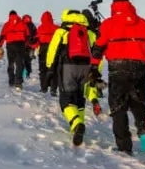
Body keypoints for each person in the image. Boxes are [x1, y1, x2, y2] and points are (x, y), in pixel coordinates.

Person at [88, 0, 145, 154]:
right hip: (139, 68)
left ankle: (124, 146)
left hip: (117, 68)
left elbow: (98, 48)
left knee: (118, 108)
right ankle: (144, 132)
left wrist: (93, 67)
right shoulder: (143, 23)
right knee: (138, 103)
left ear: (114, 6)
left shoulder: (107, 25)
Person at [45, 9, 96, 146]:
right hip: (85, 68)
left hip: (67, 67)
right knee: (79, 98)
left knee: (66, 99)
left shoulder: (61, 32)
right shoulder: (89, 33)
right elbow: (95, 52)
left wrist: (49, 68)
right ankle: (78, 125)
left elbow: (52, 50)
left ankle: (76, 124)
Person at [0, 10, 30, 90]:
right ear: (16, 15)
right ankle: (18, 83)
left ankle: (11, 81)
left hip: (10, 45)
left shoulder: (6, 24)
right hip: (20, 45)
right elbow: (27, 36)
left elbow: (2, 36)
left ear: (9, 15)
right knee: (19, 64)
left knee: (11, 63)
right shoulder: (23, 24)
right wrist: (26, 45)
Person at [35, 11, 59, 95]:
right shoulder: (56, 28)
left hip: (43, 49)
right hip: (54, 49)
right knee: (54, 69)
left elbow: (37, 40)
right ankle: (53, 88)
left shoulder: (40, 28)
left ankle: (43, 88)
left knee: (43, 69)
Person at [22, 14, 38, 80]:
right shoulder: (32, 25)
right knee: (28, 60)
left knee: (22, 60)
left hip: (23, 45)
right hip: (30, 45)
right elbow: (36, 35)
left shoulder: (21, 24)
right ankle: (27, 73)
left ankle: (23, 73)